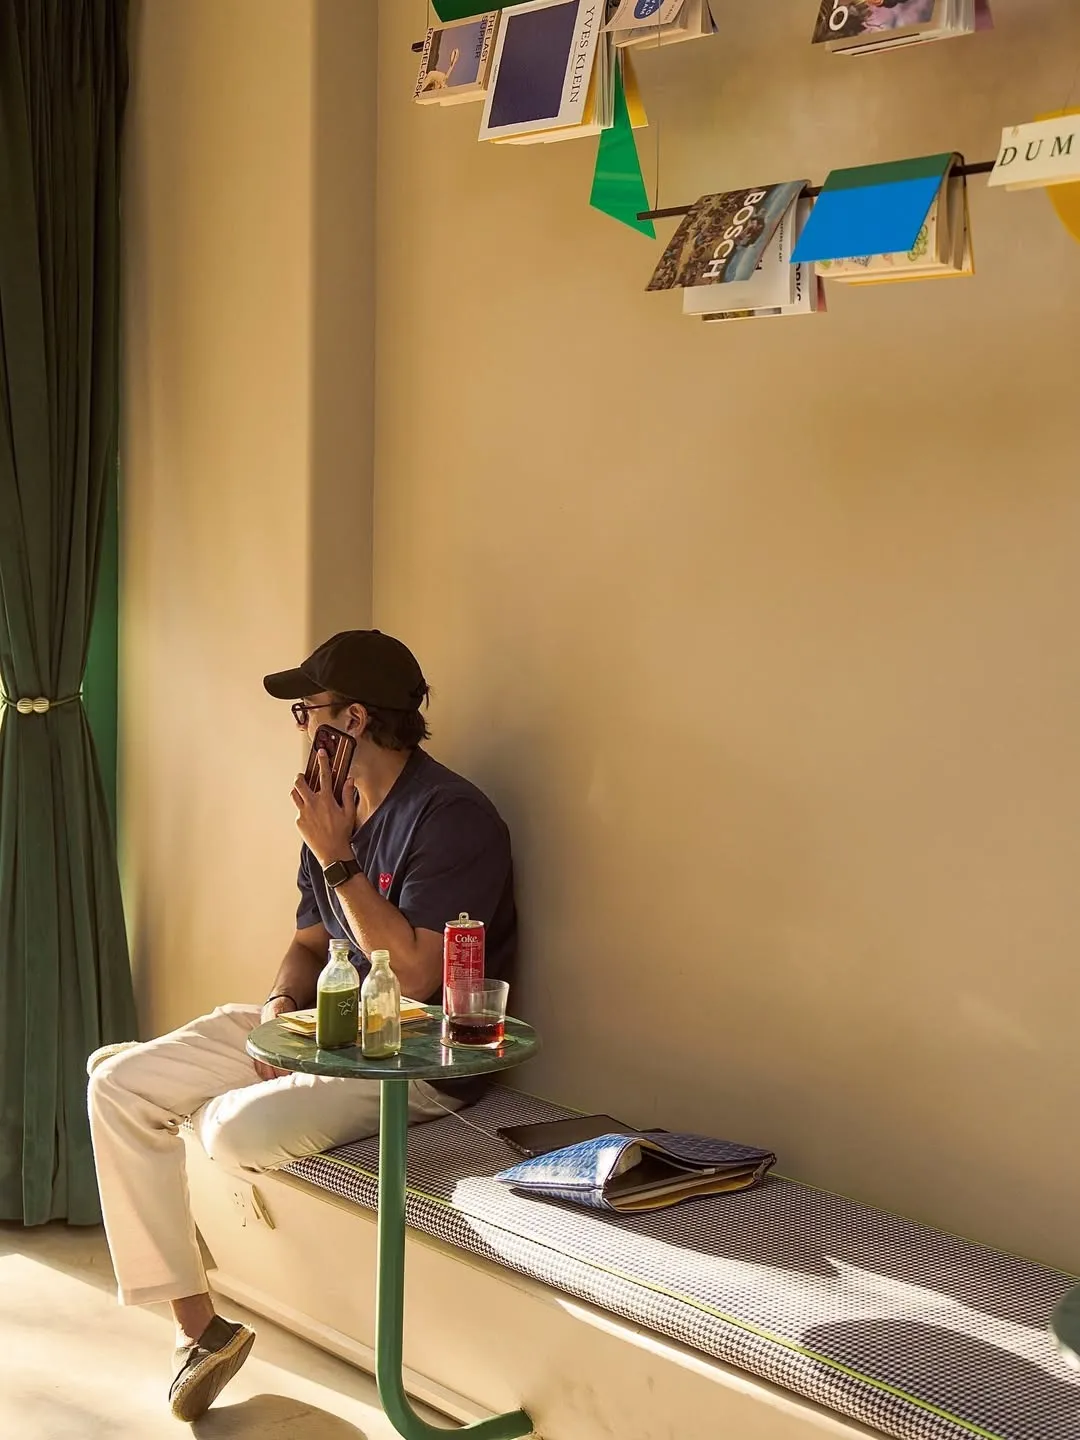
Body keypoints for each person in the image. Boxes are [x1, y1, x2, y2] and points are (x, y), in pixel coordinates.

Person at [87, 630, 516, 1423]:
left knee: (227, 1130)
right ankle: (200, 1333)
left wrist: (338, 857)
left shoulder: (452, 816)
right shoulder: (335, 811)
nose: (296, 725)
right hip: (328, 1025)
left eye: (304, 709)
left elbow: (421, 976)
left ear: (350, 719)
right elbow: (309, 943)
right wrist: (282, 1009)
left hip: (415, 1059)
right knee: (118, 1083)